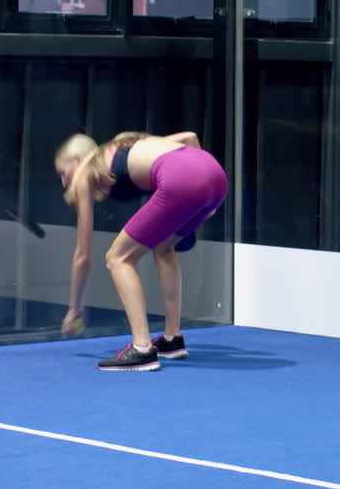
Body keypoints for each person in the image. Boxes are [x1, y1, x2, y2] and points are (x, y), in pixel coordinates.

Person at [54, 130, 227, 371]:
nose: (63, 182)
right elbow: (190, 137)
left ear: (76, 161)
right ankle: (172, 340)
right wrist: (203, 189)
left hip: (183, 178)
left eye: (63, 173)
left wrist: (75, 307)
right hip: (215, 176)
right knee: (163, 247)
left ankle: (142, 348)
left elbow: (83, 255)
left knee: (117, 258)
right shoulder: (125, 142)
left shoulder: (86, 173)